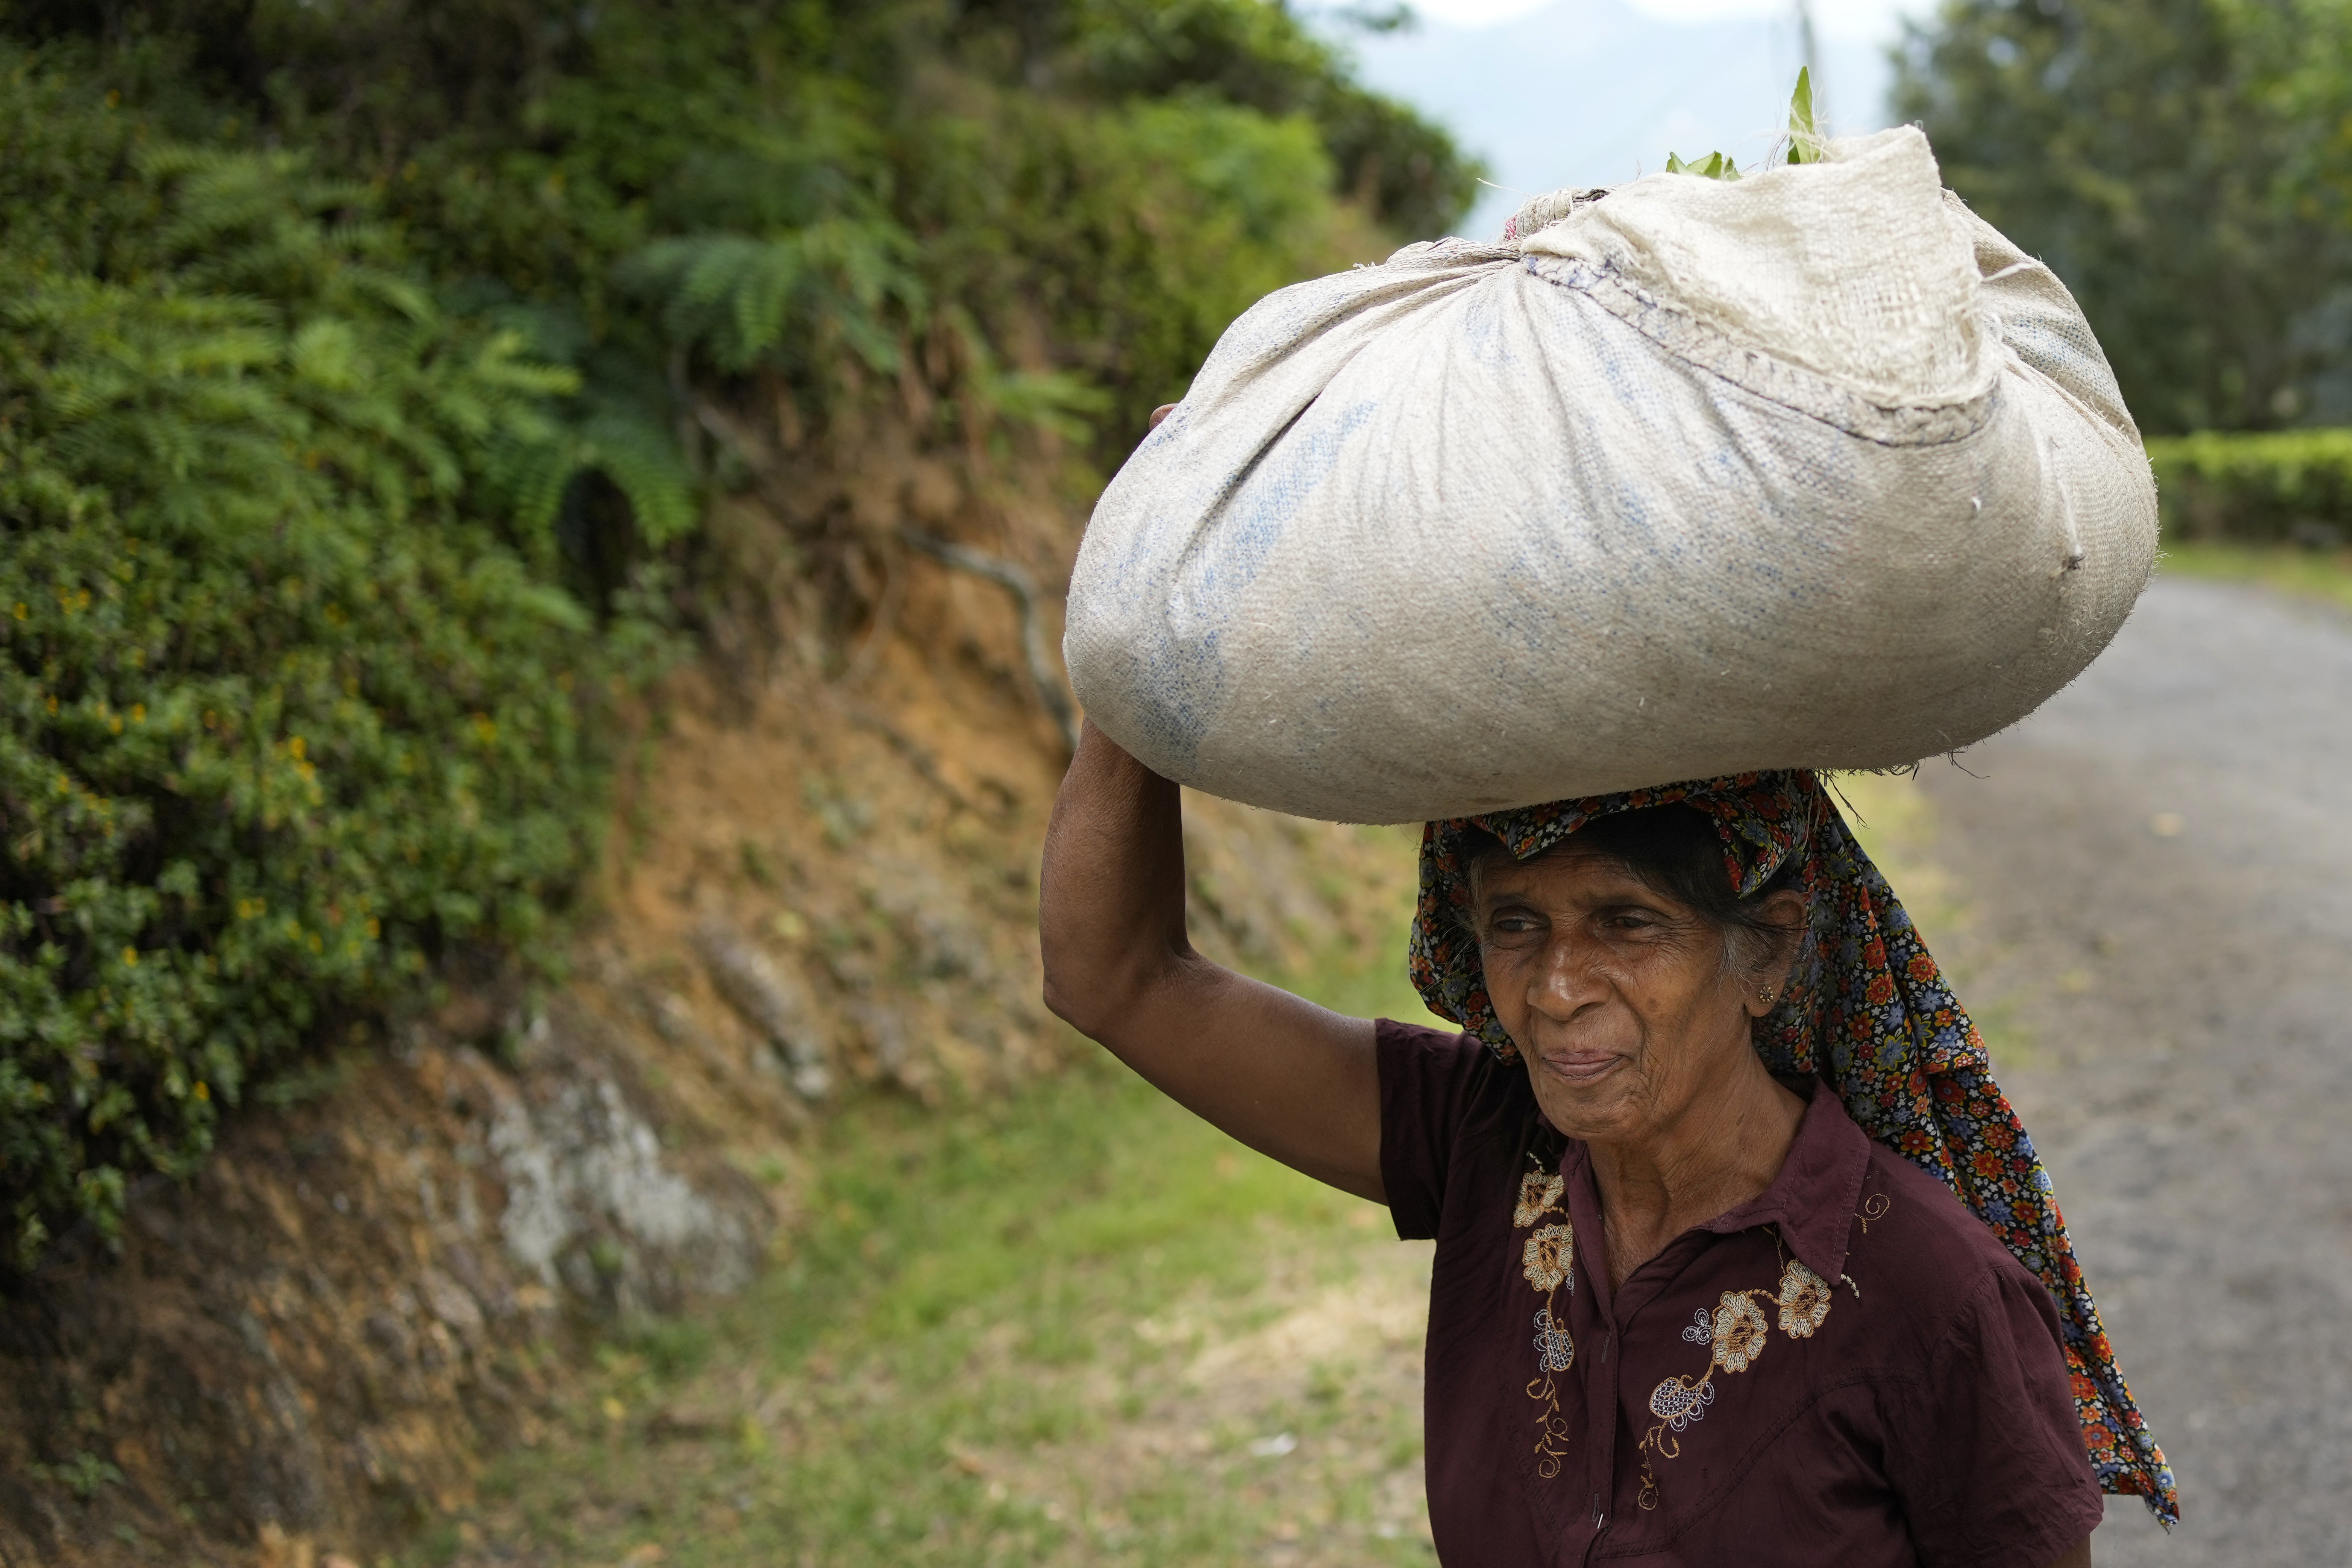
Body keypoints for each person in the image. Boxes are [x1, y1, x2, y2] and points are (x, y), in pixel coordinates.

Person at [1038, 412, 2175, 1568]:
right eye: (1515, 926)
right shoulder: (1489, 1146)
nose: (1557, 987)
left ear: (1768, 953)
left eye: (1627, 923)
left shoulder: (1932, 1295)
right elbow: (1114, 979)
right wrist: (1144, 585)